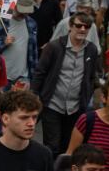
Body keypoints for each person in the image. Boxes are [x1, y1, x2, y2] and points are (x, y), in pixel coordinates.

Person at [33, 9, 102, 152]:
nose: (82, 29)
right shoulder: (54, 46)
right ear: (70, 26)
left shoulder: (91, 49)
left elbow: (91, 76)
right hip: (52, 104)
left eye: (86, 27)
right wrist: (35, 96)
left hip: (76, 107)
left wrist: (87, 95)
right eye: (78, 26)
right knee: (52, 145)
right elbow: (40, 72)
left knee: (69, 146)